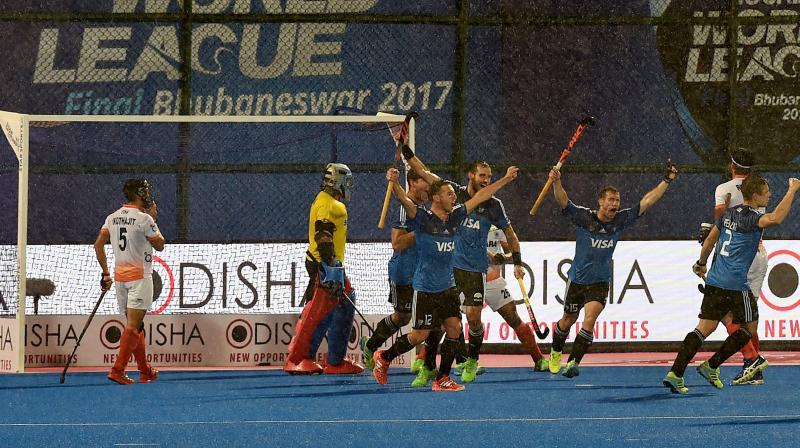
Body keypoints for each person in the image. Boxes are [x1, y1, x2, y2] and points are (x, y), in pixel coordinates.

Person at [372, 164, 519, 391]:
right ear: (437, 198)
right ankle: (385, 356)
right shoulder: (423, 219)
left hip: (448, 286)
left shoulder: (455, 217)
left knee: (454, 329)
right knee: (419, 335)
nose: (454, 197)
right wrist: (393, 183)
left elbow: (481, 196)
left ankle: (442, 378)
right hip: (425, 287)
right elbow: (405, 202)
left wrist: (506, 180)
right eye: (449, 194)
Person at [664, 175, 800, 394]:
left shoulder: (728, 213)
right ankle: (712, 365)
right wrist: (792, 190)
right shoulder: (753, 218)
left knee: (703, 329)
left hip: (716, 281)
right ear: (755, 196)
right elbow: (776, 218)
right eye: (766, 192)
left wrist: (701, 263)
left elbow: (710, 240)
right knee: (749, 329)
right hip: (736, 285)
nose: (770, 195)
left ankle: (675, 373)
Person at [548, 160, 678, 378]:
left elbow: (646, 202)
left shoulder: (620, 220)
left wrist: (666, 181)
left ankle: (573, 363)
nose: (615, 204)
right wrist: (556, 182)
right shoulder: (583, 217)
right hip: (577, 280)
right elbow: (563, 201)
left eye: (617, 200)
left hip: (600, 281)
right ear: (600, 202)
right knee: (567, 320)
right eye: (610, 200)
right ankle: (555, 351)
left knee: (589, 319)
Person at [283, 163, 364, 375]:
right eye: (346, 182)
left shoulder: (326, 201)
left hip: (331, 264)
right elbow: (323, 236)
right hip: (325, 265)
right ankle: (297, 359)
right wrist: (331, 267)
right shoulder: (330, 205)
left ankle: (335, 362)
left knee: (346, 304)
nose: (349, 186)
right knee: (317, 313)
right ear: (337, 181)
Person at [700, 149, 768, 385]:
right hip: (757, 254)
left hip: (732, 258)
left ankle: (752, 359)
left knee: (725, 313)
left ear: (732, 166)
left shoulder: (724, 189)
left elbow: (721, 223)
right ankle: (754, 370)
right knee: (748, 316)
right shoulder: (759, 188)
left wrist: (702, 256)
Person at [94, 179, 164, 385]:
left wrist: (105, 274)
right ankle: (117, 370)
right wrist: (153, 219)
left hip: (119, 279)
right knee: (133, 327)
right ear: (141, 194)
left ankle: (145, 371)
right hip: (140, 278)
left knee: (136, 327)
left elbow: (98, 245)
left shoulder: (112, 217)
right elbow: (160, 245)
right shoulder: (144, 219)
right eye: (147, 191)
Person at [360, 169, 429, 370]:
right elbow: (397, 243)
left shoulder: (424, 208)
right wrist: (422, 230)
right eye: (425, 181)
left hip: (424, 274)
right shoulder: (404, 209)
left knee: (436, 320)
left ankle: (426, 362)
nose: (429, 187)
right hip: (404, 273)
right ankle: (371, 347)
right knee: (402, 317)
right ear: (414, 183)